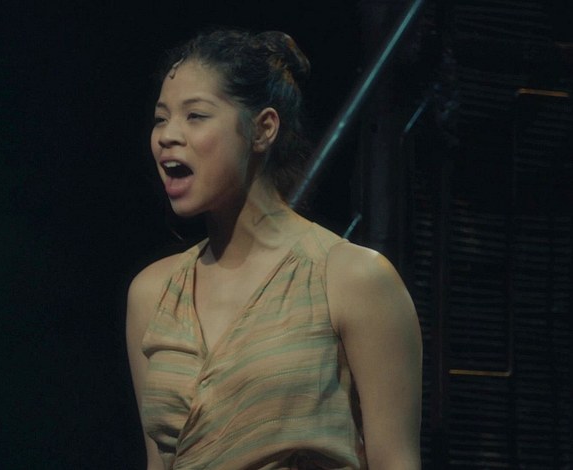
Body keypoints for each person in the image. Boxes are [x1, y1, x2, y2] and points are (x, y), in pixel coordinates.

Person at [126, 28, 422, 470]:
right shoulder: (153, 293)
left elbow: (395, 460)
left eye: (195, 116)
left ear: (263, 129)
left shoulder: (351, 278)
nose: (167, 135)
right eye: (160, 118)